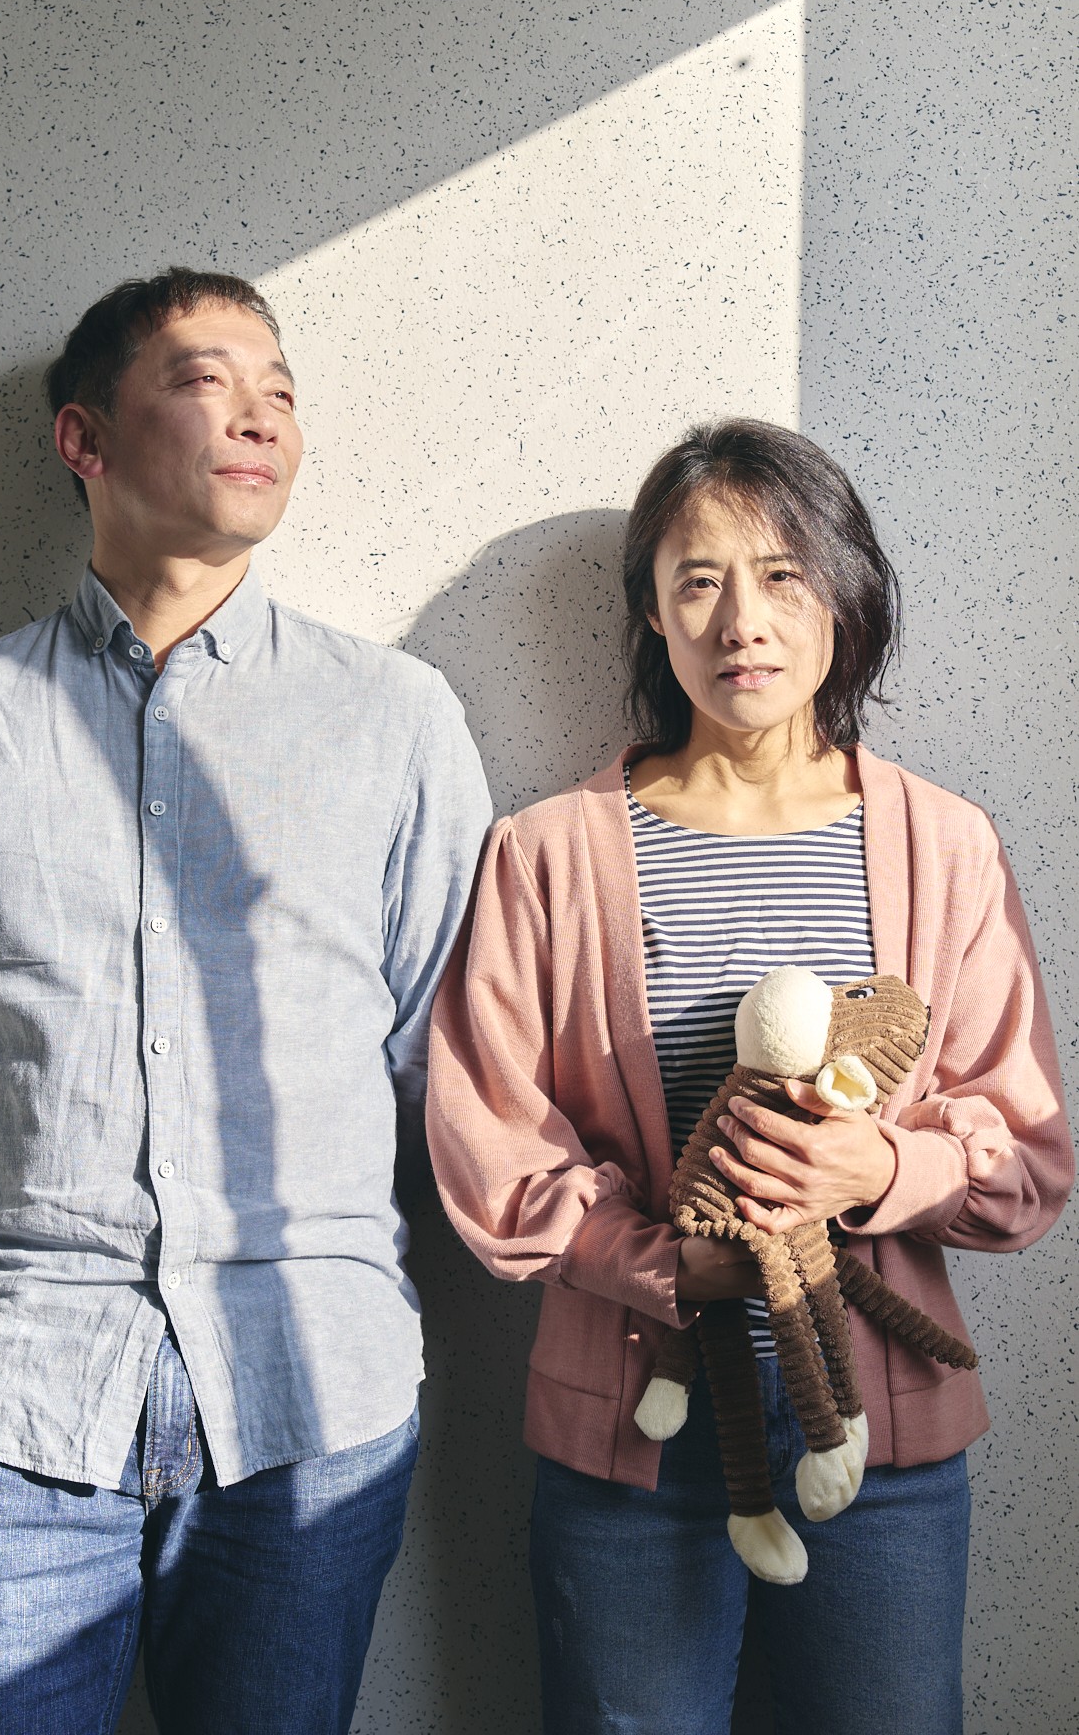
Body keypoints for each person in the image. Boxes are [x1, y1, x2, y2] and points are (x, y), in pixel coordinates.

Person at [0, 267, 492, 1735]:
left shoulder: (395, 719)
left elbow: (426, 1039)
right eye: (206, 382)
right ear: (83, 439)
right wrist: (46, 1202)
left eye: (282, 392)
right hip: (16, 1389)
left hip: (309, 1397)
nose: (260, 417)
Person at [426, 420, 1072, 1735]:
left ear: (843, 592)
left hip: (883, 1440)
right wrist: (668, 1265)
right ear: (650, 612)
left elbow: (1027, 1156)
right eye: (699, 579)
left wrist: (883, 1166)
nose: (743, 621)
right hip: (634, 1433)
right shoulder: (545, 854)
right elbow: (491, 1150)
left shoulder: (944, 844)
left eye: (783, 574)